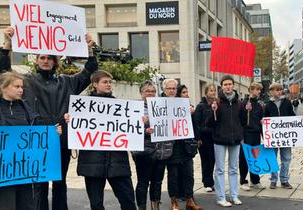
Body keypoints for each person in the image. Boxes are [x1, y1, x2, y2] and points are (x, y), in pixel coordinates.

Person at [0, 26, 98, 210]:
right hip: (36, 139)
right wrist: (7, 45)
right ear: (37, 60)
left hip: (61, 139)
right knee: (39, 184)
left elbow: (90, 73)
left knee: (60, 182)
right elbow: (2, 72)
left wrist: (89, 49)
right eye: (42, 57)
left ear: (55, 61)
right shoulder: (25, 81)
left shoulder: (67, 81)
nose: (46, 60)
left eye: (50, 57)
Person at [0, 72, 60, 210]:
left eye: (21, 87)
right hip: (1, 172)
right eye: (16, 86)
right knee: (5, 206)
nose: (21, 90)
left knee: (27, 205)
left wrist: (53, 132)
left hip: (25, 171)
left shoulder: (28, 110)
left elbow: (38, 133)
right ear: (3, 87)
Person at [66, 71, 136, 210]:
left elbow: (129, 129)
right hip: (93, 164)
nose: (109, 85)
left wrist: (138, 123)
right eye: (105, 82)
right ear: (95, 84)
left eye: (110, 82)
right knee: (96, 204)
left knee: (128, 200)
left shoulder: (121, 107)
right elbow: (75, 129)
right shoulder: (81, 107)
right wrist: (70, 119)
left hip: (117, 162)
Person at [163, 80, 202, 210]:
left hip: (185, 146)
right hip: (171, 147)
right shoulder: (159, 104)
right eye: (169, 88)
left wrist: (191, 113)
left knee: (189, 174)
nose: (172, 90)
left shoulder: (184, 104)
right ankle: (174, 202)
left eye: (174, 88)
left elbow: (193, 124)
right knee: (173, 176)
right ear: (164, 90)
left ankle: (189, 199)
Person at [207, 75, 245, 207]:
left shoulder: (239, 103)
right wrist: (213, 111)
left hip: (235, 140)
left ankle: (234, 195)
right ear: (221, 87)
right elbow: (209, 123)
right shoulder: (217, 102)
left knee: (234, 168)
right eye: (225, 84)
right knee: (220, 169)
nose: (228, 86)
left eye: (230, 84)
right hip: (220, 140)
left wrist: (248, 111)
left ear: (233, 86)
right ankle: (221, 197)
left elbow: (243, 121)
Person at [131, 80, 163, 210]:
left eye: (153, 91)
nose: (150, 93)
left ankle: (155, 207)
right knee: (143, 182)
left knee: (157, 181)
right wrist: (144, 129)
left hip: (160, 150)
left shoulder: (161, 106)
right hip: (143, 151)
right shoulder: (134, 108)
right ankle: (142, 207)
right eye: (147, 91)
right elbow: (128, 129)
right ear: (141, 93)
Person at [264, 83, 295, 190]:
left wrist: (300, 120)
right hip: (273, 137)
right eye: (276, 90)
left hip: (285, 136)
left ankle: (284, 180)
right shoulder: (268, 105)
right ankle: (273, 180)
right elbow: (265, 118)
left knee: (286, 158)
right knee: (273, 158)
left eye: (280, 90)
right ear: (271, 91)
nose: (279, 92)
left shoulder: (287, 103)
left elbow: (292, 115)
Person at [239, 82, 266, 191]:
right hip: (246, 134)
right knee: (244, 158)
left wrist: (264, 134)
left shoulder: (259, 105)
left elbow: (260, 120)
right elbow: (240, 120)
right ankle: (243, 181)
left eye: (260, 90)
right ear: (251, 90)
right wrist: (246, 110)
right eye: (257, 89)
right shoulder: (243, 103)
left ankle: (255, 180)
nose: (259, 91)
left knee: (255, 157)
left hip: (255, 134)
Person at [193, 84, 216, 193]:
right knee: (206, 160)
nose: (213, 92)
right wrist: (198, 138)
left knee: (213, 160)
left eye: (214, 90)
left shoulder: (216, 104)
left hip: (214, 137)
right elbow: (197, 123)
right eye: (211, 90)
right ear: (206, 92)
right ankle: (207, 182)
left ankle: (211, 181)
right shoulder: (201, 106)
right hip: (204, 137)